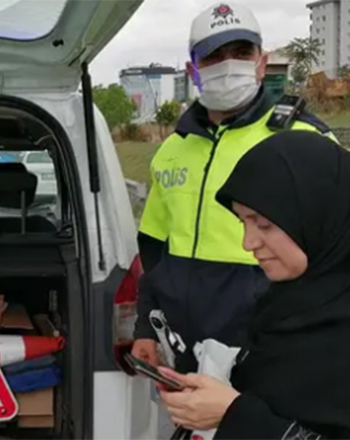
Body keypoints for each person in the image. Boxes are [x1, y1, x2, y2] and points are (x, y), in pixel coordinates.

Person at [156, 130, 350, 439]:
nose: (248, 242)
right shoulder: (296, 299)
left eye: (264, 224)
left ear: (318, 215)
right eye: (243, 222)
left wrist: (234, 415)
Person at [132, 1, 335, 373]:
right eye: (214, 55)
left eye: (241, 52)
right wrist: (146, 325)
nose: (229, 64)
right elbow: (154, 251)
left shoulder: (305, 140)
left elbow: (344, 258)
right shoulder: (171, 151)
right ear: (193, 70)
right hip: (186, 356)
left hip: (274, 356)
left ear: (262, 61)